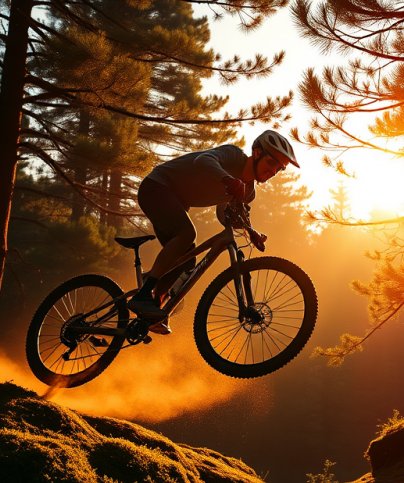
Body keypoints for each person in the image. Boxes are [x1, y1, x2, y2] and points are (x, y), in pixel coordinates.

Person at [128, 130, 300, 334]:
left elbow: (224, 215)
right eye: (272, 163)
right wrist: (228, 179)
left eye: (280, 169)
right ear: (256, 153)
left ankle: (151, 307)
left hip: (176, 202)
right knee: (187, 235)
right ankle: (142, 297)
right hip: (156, 186)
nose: (274, 171)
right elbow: (203, 160)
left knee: (186, 260)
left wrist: (251, 231)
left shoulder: (248, 192)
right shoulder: (233, 155)